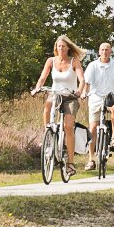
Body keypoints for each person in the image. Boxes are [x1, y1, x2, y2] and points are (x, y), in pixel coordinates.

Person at [31, 34, 87, 179]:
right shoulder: (51, 61)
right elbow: (43, 77)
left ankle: (70, 163)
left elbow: (82, 80)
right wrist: (37, 88)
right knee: (48, 105)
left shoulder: (74, 62)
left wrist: (80, 91)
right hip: (55, 94)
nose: (61, 48)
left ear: (68, 47)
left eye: (63, 46)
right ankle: (47, 134)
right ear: (56, 48)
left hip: (70, 97)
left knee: (68, 126)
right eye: (58, 46)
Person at [82, 41, 114, 169]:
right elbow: (87, 82)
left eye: (107, 50)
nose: (104, 52)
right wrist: (85, 93)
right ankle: (91, 159)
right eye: (102, 50)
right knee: (92, 127)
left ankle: (113, 138)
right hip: (95, 97)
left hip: (111, 96)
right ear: (99, 51)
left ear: (110, 52)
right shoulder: (93, 65)